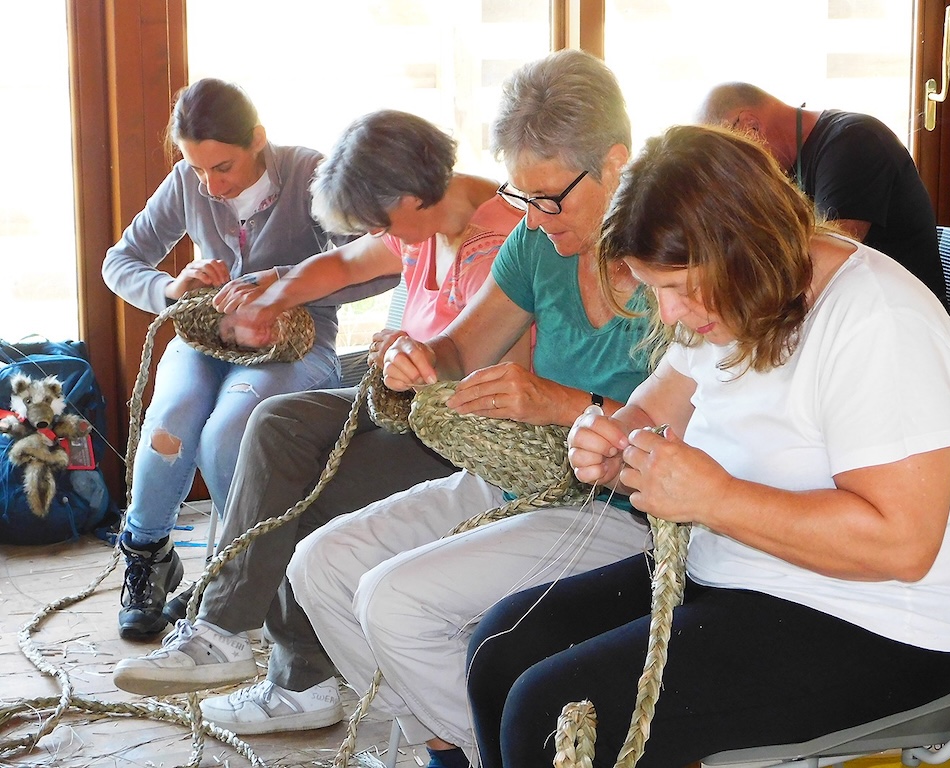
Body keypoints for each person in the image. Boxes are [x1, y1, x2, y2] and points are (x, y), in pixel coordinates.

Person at [465, 124, 950, 768]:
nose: (668, 315)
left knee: (552, 711)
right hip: (741, 579)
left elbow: (902, 544)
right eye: (655, 289)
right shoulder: (736, 292)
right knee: (500, 649)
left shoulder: (878, 320)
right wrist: (609, 441)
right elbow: (652, 412)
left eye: (679, 288)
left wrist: (715, 499)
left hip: (887, 630)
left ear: (748, 246)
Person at [109, 109, 530, 735]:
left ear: (412, 195)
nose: (382, 237)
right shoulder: (423, 217)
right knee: (277, 422)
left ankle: (303, 681)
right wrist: (266, 295)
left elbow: (485, 381)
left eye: (382, 223)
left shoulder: (505, 240)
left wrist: (415, 359)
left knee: (311, 489)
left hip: (467, 435)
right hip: (404, 398)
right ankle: (223, 629)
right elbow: (342, 266)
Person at [287, 50, 652, 768]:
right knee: (319, 565)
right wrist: (415, 360)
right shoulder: (538, 241)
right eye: (523, 197)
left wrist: (558, 403)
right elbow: (461, 349)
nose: (536, 217)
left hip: (621, 508)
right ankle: (453, 744)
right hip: (525, 480)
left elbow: (698, 422)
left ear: (616, 163)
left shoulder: (676, 254)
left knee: (395, 601)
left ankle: (497, 751)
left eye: (551, 197)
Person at [101, 78, 394, 640]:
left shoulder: (310, 173)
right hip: (208, 340)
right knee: (171, 420)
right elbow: (121, 261)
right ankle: (148, 554)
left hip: (299, 346)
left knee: (229, 430)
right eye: (197, 168)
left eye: (223, 167)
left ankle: (232, 572)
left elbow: (380, 263)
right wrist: (172, 286)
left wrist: (285, 290)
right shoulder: (187, 181)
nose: (209, 185)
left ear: (258, 139)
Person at [696, 82, 946, 302]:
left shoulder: (854, 142)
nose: (735, 174)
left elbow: (823, 264)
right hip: (854, 312)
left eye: (729, 159)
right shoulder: (788, 165)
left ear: (750, 127)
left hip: (899, 327)